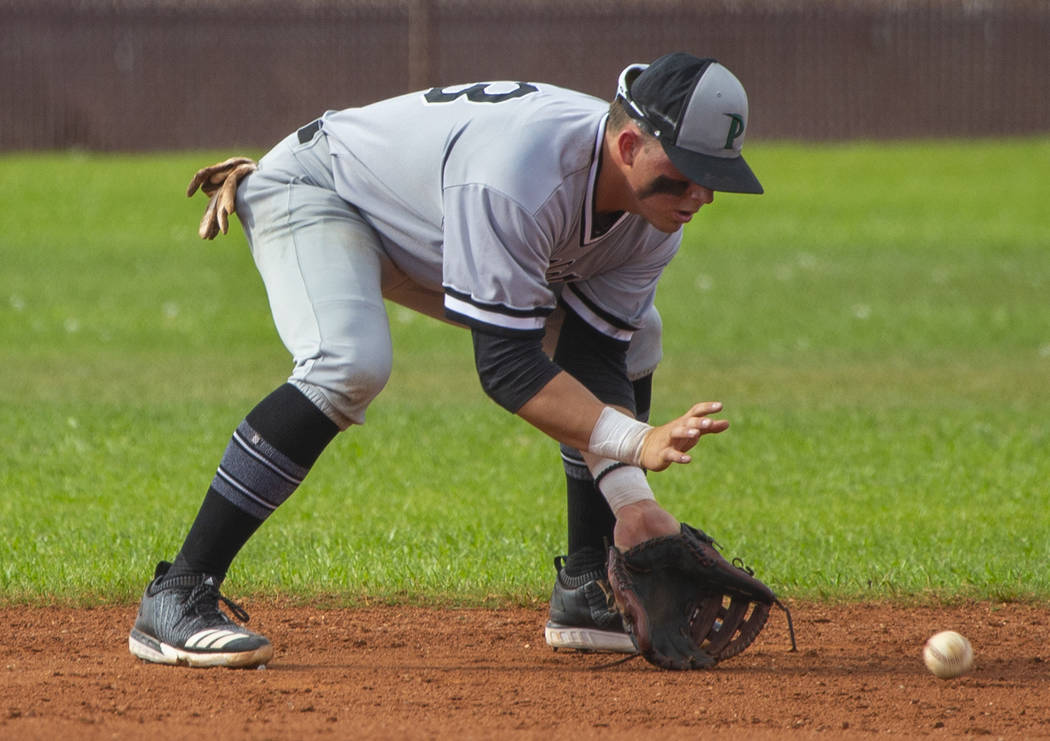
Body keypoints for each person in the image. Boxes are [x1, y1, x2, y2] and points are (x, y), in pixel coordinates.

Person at [128, 52, 764, 668]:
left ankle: (587, 590)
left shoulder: (655, 219)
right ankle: (179, 593)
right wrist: (637, 441)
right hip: (324, 191)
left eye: (713, 177)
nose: (698, 195)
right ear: (628, 148)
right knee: (347, 364)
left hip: (432, 229)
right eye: (684, 171)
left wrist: (633, 505)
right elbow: (508, 370)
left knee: (638, 337)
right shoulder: (521, 176)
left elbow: (593, 354)